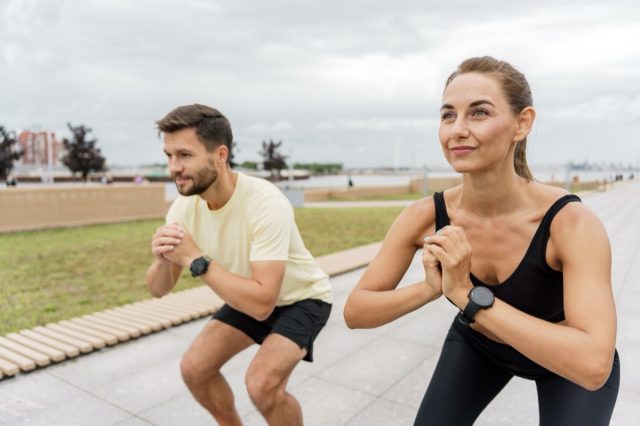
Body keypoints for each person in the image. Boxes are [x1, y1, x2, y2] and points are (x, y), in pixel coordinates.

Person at [343, 57, 619, 425]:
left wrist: (467, 297)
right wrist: (432, 289)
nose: (457, 129)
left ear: (522, 123)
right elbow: (356, 311)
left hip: (563, 359)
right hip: (481, 344)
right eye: (447, 115)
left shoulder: (570, 223)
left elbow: (593, 364)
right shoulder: (424, 215)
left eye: (479, 113)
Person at [145, 104, 332, 426]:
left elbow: (262, 305)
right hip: (247, 293)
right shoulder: (182, 208)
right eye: (169, 155)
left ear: (220, 155)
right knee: (195, 369)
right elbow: (158, 290)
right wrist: (162, 261)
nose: (174, 167)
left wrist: (194, 259)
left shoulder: (265, 202)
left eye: (185, 155)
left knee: (261, 386)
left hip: (303, 299)